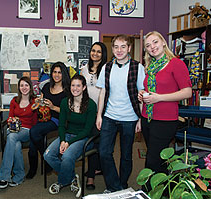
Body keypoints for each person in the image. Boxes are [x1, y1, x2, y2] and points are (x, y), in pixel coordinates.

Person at [96, 34, 145, 193]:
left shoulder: (138, 68)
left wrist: (140, 118)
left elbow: (141, 95)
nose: (119, 50)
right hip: (109, 116)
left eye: (123, 46)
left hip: (130, 119)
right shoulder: (107, 67)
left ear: (129, 48)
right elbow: (102, 93)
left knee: (126, 155)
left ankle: (122, 185)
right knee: (104, 153)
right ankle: (115, 187)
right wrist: (99, 115)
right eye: (116, 47)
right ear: (112, 49)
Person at [138, 31, 192, 173]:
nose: (152, 47)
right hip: (147, 118)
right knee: (158, 159)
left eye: (155, 42)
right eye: (148, 45)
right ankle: (162, 191)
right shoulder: (150, 66)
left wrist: (159, 97)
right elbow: (151, 88)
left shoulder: (176, 64)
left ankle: (149, 191)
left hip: (165, 121)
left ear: (163, 42)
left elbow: (187, 92)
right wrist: (142, 93)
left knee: (152, 160)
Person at [44, 74, 97, 198]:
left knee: (66, 157)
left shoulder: (91, 105)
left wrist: (69, 143)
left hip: (83, 138)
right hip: (67, 135)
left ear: (84, 87)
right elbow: (61, 125)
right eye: (73, 85)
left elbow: (87, 130)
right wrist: (63, 140)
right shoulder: (65, 102)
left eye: (78, 85)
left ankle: (62, 181)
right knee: (48, 155)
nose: (75, 88)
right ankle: (72, 177)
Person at [27, 61, 70, 179]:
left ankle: (46, 160)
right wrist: (37, 103)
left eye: (59, 72)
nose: (56, 75)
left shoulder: (68, 90)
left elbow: (68, 112)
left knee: (34, 132)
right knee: (32, 143)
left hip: (56, 119)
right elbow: (41, 100)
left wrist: (53, 107)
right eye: (54, 72)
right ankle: (37, 166)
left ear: (64, 74)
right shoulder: (46, 86)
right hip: (43, 117)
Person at [0, 76, 37, 189]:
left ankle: (4, 176)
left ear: (30, 87)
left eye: (26, 85)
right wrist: (11, 123)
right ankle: (19, 176)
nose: (24, 87)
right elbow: (10, 118)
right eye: (21, 85)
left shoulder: (34, 101)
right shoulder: (14, 100)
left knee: (11, 138)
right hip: (14, 130)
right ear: (18, 87)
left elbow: (35, 122)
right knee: (15, 144)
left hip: (27, 130)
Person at [80, 41, 107, 190]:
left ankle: (94, 172)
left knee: (100, 145)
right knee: (91, 143)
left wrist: (101, 113)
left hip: (102, 113)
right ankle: (91, 175)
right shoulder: (83, 69)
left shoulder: (106, 69)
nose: (95, 54)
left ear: (103, 55)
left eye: (99, 51)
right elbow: (80, 90)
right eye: (93, 51)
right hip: (87, 112)